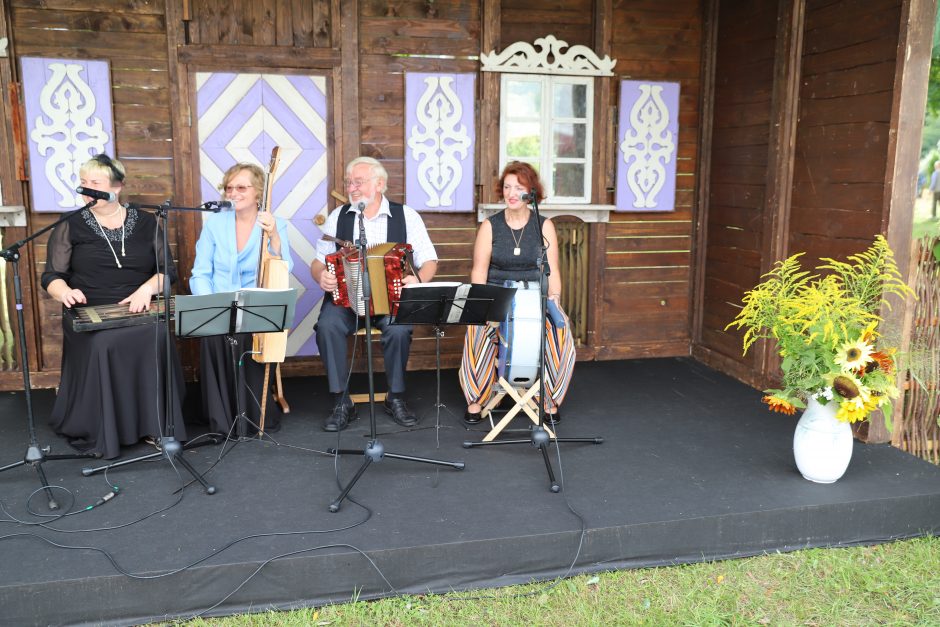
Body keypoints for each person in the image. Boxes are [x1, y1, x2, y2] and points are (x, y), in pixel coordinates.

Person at [41, 154, 185, 459]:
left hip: (138, 306)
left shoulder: (147, 222)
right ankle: (109, 429)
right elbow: (51, 276)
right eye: (83, 183)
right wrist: (64, 291)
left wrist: (147, 289)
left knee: (155, 335)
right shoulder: (70, 224)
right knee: (105, 343)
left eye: (95, 183)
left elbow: (167, 272)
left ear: (116, 187)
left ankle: (156, 425)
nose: (87, 189)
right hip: (91, 310)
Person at [310, 156, 438, 431]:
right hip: (346, 299)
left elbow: (429, 261)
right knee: (327, 326)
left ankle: (396, 397)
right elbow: (318, 261)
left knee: (399, 330)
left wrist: (415, 280)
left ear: (379, 184)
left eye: (359, 182)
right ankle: (341, 401)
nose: (352, 188)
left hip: (390, 299)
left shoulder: (407, 216)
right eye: (349, 182)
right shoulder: (338, 216)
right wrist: (321, 275)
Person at [458, 161, 576, 426]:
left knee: (560, 331)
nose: (511, 193)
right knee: (478, 331)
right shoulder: (490, 226)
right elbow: (479, 271)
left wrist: (555, 302)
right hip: (498, 297)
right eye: (507, 187)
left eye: (519, 188)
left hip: (535, 298)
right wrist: (484, 305)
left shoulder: (544, 226)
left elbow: (552, 271)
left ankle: (548, 398)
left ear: (531, 192)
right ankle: (476, 398)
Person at [190, 162, 293, 435]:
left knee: (247, 334)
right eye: (229, 187)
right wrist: (209, 304)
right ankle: (220, 418)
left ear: (258, 192)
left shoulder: (275, 224)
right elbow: (200, 272)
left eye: (241, 187)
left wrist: (273, 236)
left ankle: (252, 415)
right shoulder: (215, 224)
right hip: (219, 303)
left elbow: (285, 267)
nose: (233, 192)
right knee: (214, 335)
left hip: (256, 306)